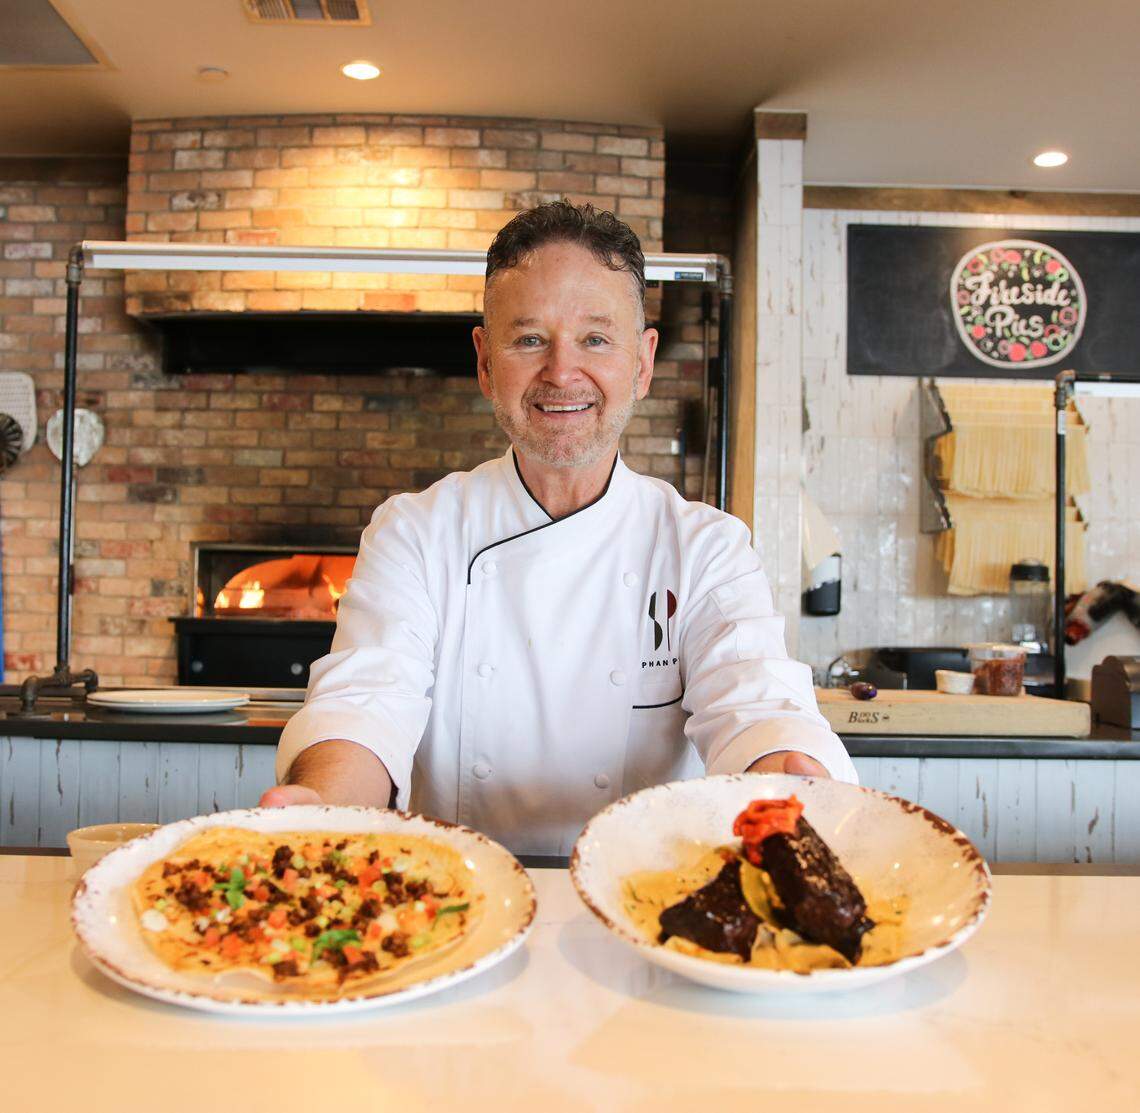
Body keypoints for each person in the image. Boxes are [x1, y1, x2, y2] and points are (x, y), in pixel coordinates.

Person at [262, 201, 856, 854]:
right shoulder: (416, 532)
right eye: (529, 339)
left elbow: (758, 705)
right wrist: (322, 806)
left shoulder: (705, 548)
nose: (562, 371)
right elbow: (364, 705)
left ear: (642, 361)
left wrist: (792, 774)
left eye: (595, 338)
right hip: (458, 906)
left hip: (646, 904)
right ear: (485, 362)